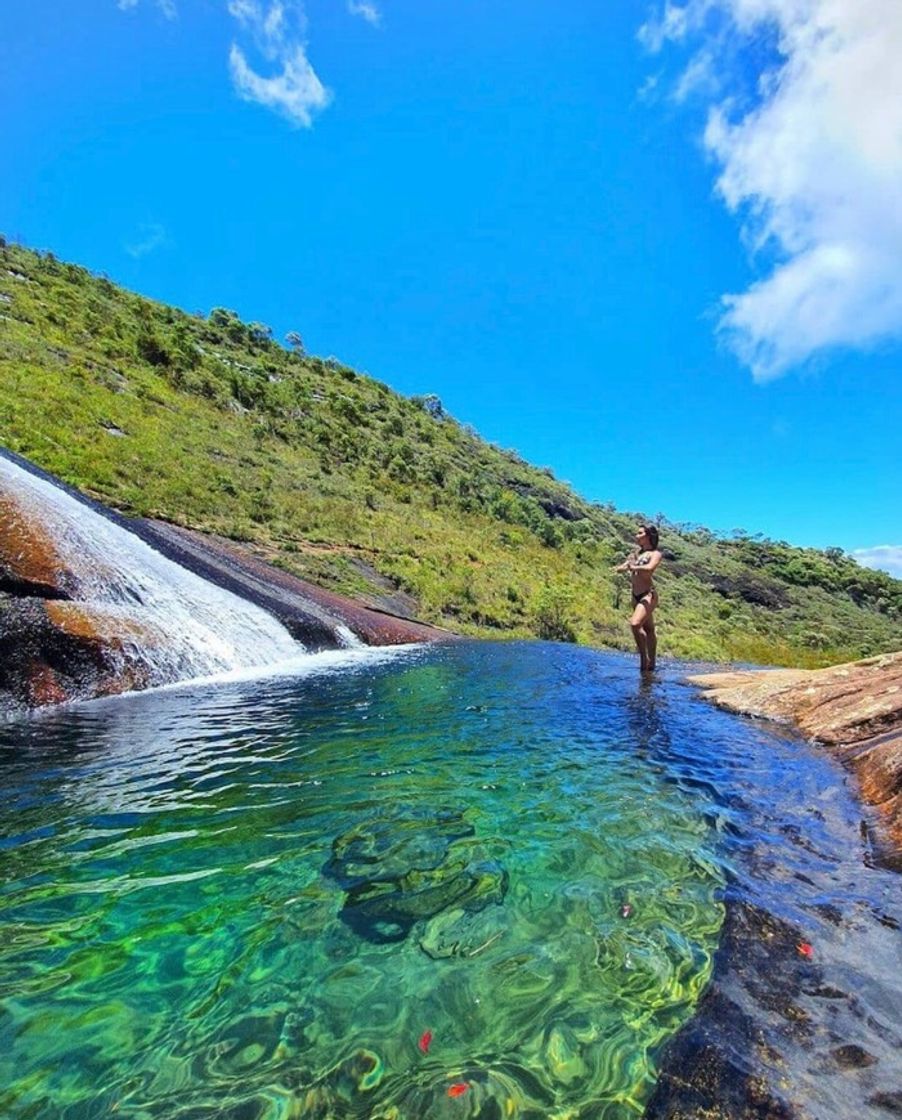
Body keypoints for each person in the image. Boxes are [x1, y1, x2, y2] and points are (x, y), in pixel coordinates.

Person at [615, 525, 662, 672]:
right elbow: (625, 566)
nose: (636, 535)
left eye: (640, 533)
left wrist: (633, 568)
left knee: (635, 624)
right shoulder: (636, 554)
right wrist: (619, 568)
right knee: (648, 629)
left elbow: (650, 568)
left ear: (648, 536)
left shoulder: (655, 554)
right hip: (635, 596)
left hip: (648, 595)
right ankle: (652, 665)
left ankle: (644, 658)